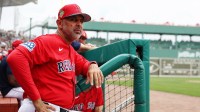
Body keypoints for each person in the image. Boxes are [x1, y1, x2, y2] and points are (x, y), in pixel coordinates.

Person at [7, 4, 104, 112]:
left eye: (81, 21)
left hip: (57, 108)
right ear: (59, 23)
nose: (79, 24)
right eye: (73, 20)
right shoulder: (48, 41)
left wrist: (93, 65)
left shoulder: (69, 49)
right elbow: (15, 57)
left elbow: (84, 64)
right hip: (40, 107)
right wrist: (37, 100)